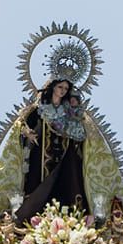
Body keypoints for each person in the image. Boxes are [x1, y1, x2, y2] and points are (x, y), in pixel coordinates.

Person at [15, 77, 90, 224]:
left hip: (64, 155)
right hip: (41, 153)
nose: (62, 91)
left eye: (65, 89)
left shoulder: (69, 112)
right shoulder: (39, 109)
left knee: (65, 184)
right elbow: (22, 125)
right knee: (38, 184)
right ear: (53, 87)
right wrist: (27, 133)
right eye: (60, 87)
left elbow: (80, 133)